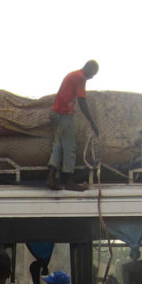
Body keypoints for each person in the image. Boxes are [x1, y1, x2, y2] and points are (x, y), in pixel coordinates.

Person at [46, 59, 99, 191]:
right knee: (70, 147)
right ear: (88, 68)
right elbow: (82, 101)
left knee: (58, 146)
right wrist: (92, 122)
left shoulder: (73, 75)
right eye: (93, 73)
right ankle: (68, 181)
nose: (92, 77)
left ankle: (50, 178)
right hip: (63, 114)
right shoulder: (80, 77)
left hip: (56, 113)